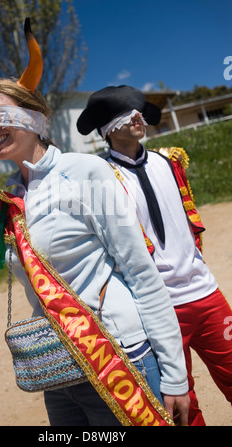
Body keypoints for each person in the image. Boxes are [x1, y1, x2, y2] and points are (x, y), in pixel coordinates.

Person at [0, 20, 189, 426]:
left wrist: (177, 377)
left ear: (36, 116)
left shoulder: (85, 172)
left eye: (1, 116)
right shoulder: (10, 197)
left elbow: (141, 274)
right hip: (60, 372)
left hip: (119, 358)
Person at [77, 84, 232, 426]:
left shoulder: (169, 161)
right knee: (181, 405)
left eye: (138, 110)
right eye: (125, 112)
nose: (137, 116)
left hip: (206, 294)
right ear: (107, 129)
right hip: (160, 309)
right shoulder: (104, 180)